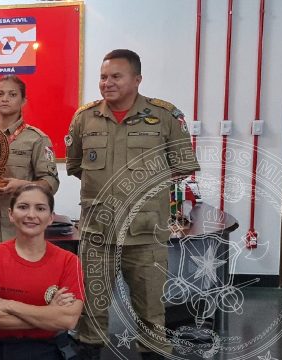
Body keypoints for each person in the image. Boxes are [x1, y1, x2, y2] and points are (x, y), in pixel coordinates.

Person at [65, 49, 199, 360]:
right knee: (91, 307)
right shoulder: (85, 118)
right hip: (98, 231)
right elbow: (75, 166)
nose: (107, 83)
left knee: (150, 307)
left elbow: (181, 166)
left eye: (116, 76)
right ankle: (89, 351)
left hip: (146, 233)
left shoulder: (165, 117)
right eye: (103, 77)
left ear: (136, 79)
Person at [0, 75, 61, 280]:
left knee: (17, 288)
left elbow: (50, 183)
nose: (5, 98)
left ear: (23, 101)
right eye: (0, 94)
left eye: (12, 94)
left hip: (17, 230)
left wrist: (21, 186)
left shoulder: (36, 139)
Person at [0, 184, 83, 360]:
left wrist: (9, 305)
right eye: (23, 207)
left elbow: (67, 320)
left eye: (40, 208)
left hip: (50, 349)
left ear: (51, 218)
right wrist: (48, 314)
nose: (31, 215)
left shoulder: (69, 261)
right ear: (11, 214)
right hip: (0, 349)